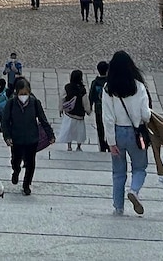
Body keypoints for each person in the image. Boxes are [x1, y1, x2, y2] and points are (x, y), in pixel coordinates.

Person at [100, 50, 152, 215]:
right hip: (135, 134)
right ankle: (134, 190)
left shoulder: (108, 88)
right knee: (139, 167)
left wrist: (111, 141)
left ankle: (118, 207)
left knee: (118, 172)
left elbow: (107, 117)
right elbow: (145, 114)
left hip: (116, 132)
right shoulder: (139, 86)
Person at [0, 77, 52, 196]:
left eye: (26, 93)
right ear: (16, 92)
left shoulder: (34, 103)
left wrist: (50, 134)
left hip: (31, 138)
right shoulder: (11, 103)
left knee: (31, 163)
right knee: (15, 160)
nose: (23, 96)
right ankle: (16, 171)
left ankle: (26, 184)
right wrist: (7, 136)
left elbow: (43, 119)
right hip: (16, 138)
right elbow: (5, 121)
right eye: (21, 93)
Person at [58, 69, 91, 151]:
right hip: (79, 114)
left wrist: (61, 108)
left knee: (69, 129)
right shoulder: (82, 89)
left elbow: (62, 98)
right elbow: (85, 102)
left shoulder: (67, 87)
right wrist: (88, 111)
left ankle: (69, 146)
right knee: (79, 131)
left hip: (69, 113)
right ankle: (78, 146)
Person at [88, 61, 111, 152]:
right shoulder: (109, 82)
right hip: (109, 108)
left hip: (98, 107)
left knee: (100, 126)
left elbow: (91, 95)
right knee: (109, 126)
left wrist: (89, 106)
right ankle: (109, 143)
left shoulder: (95, 82)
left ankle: (102, 144)